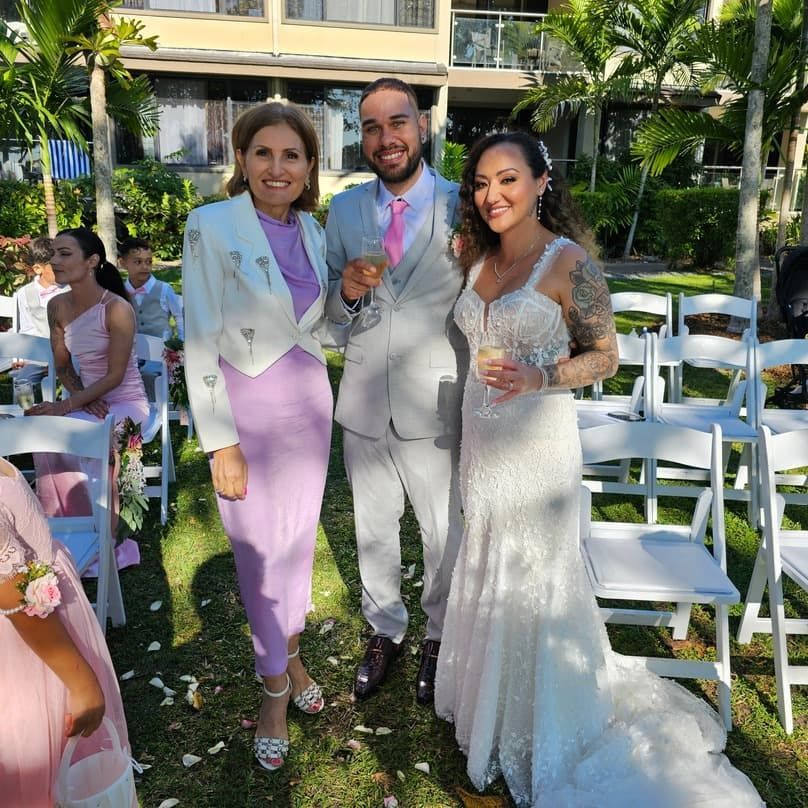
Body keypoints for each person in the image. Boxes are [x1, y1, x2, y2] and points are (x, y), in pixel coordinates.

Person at [434, 131, 763, 807]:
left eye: (508, 180)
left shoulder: (569, 263)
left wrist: (540, 374)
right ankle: (486, 707)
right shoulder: (474, 254)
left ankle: (539, 717)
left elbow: (606, 357)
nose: (492, 195)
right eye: (480, 183)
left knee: (534, 573)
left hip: (537, 445)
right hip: (481, 439)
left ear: (541, 183)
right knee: (487, 556)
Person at [182, 101, 332, 773]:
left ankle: (291, 658)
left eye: (292, 155)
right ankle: (274, 692)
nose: (278, 167)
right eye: (264, 153)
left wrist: (351, 295)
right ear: (241, 160)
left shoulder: (317, 233)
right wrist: (221, 442)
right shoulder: (210, 225)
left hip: (310, 410)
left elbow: (325, 330)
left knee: (297, 546)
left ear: (308, 168)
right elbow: (198, 338)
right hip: (246, 417)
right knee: (258, 559)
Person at [325, 77, 467, 704]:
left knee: (442, 531)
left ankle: (440, 634)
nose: (386, 138)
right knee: (372, 527)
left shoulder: (467, 205)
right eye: (373, 127)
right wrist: (349, 293)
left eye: (398, 122)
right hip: (361, 398)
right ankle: (386, 627)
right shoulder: (346, 210)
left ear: (423, 126)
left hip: (437, 400)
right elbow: (328, 315)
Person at [0, 455, 135, 807]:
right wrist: (80, 681)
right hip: (29, 653)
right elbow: (10, 589)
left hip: (44, 630)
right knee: (44, 770)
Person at [26, 228, 149, 520]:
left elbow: (115, 376)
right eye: (53, 253)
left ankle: (103, 536)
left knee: (85, 437)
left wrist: (69, 404)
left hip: (125, 402)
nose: (55, 260)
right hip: (86, 401)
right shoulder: (57, 305)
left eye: (65, 254)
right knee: (45, 435)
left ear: (92, 261)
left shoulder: (116, 308)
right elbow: (63, 365)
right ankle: (62, 531)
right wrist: (81, 399)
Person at [10, 236, 68, 387]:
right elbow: (26, 328)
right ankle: (25, 408)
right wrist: (21, 357)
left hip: (68, 356)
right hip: (37, 357)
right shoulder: (24, 293)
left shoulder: (71, 290)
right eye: (55, 267)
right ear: (38, 269)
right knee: (22, 381)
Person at [120, 236, 184, 342]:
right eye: (138, 262)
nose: (145, 267)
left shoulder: (164, 289)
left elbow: (179, 315)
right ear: (123, 263)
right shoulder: (120, 291)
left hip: (160, 352)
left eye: (149, 262)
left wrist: (181, 342)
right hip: (131, 350)